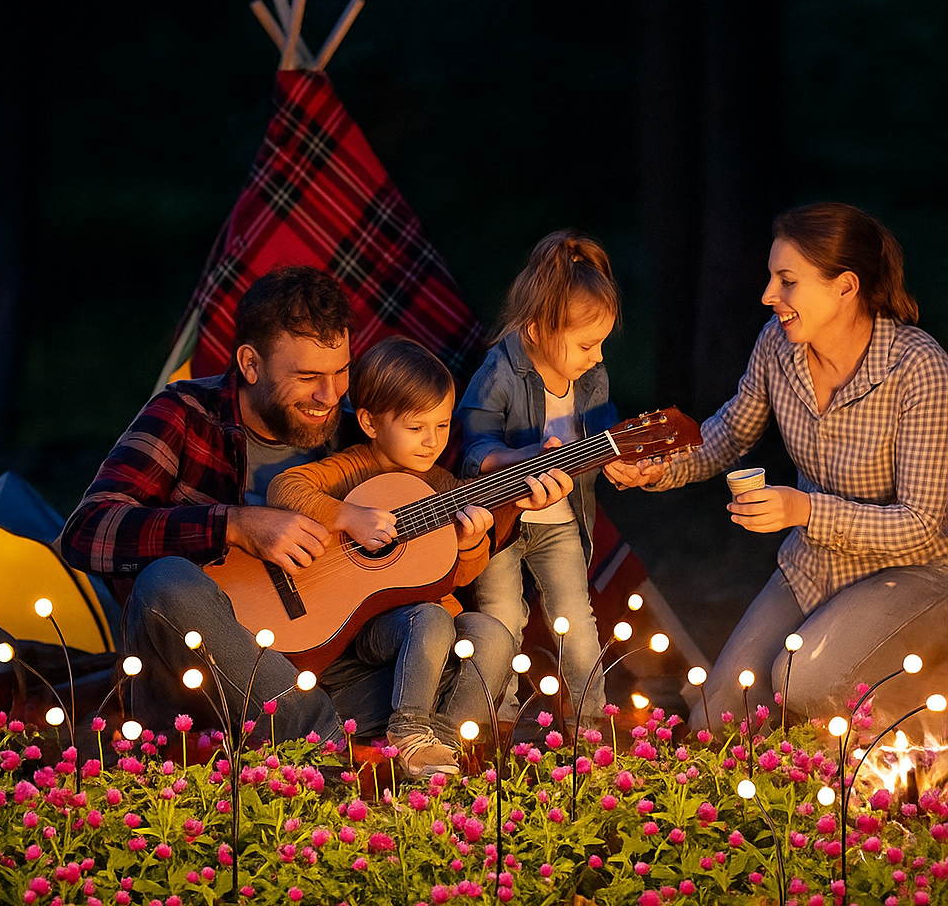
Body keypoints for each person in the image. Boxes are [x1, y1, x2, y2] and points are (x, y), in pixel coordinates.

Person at [611, 202, 948, 728]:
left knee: (803, 681)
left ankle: (924, 721)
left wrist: (803, 509)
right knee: (718, 721)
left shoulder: (918, 367)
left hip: (911, 575)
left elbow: (924, 529)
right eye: (772, 278)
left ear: (845, 287)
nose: (770, 295)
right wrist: (659, 469)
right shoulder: (778, 346)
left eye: (787, 280)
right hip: (814, 567)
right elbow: (725, 437)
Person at [59, 266, 358, 745]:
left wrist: (473, 531)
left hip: (322, 667)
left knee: (455, 630)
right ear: (250, 363)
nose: (329, 395)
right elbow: (85, 533)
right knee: (164, 582)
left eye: (340, 371)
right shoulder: (184, 415)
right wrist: (233, 524)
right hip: (199, 692)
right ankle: (325, 747)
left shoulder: (354, 431)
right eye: (307, 377)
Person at [269, 336, 557, 776]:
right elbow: (284, 489)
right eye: (416, 427)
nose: (431, 442)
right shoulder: (353, 466)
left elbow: (457, 577)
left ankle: (442, 754)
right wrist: (349, 516)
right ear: (369, 422)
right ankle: (407, 736)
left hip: (426, 630)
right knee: (431, 617)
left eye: (442, 427)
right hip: (367, 628)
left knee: (493, 633)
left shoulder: (443, 485)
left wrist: (470, 544)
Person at [456, 229, 622, 720]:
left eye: (602, 344)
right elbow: (473, 445)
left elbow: (604, 425)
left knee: (578, 622)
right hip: (501, 525)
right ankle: (492, 729)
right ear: (535, 331)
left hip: (561, 520)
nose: (599, 357)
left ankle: (590, 729)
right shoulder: (500, 371)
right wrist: (525, 456)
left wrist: (621, 455)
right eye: (588, 344)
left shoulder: (590, 374)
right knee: (502, 621)